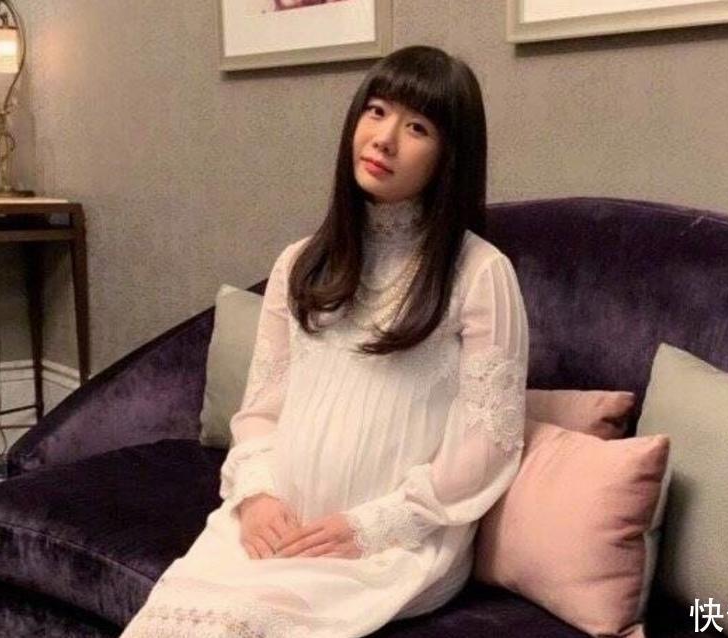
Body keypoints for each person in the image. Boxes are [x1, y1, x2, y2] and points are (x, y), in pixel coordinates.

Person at [120, 45, 530, 638]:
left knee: (238, 625)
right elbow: (260, 411)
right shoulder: (300, 262)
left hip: (396, 546)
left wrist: (372, 526)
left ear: (451, 156)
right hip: (276, 522)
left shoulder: (480, 273)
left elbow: (488, 445)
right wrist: (256, 497)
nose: (384, 138)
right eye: (376, 111)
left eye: (417, 127)